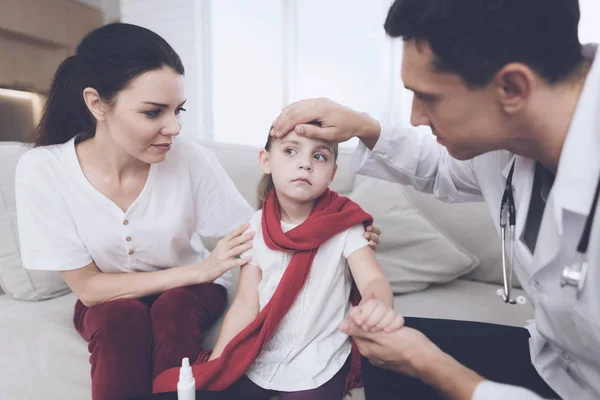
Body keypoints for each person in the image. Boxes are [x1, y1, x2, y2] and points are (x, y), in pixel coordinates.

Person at [14, 23, 382, 400]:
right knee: (118, 317)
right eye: (154, 112)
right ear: (96, 103)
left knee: (173, 310)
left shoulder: (188, 158)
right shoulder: (42, 170)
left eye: (178, 110)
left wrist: (337, 227)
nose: (173, 128)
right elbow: (90, 289)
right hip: (122, 294)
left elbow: (258, 233)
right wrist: (200, 269)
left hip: (194, 292)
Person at [269, 1, 600, 399]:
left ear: (512, 88)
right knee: (384, 351)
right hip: (558, 360)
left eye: (428, 97)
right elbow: (443, 169)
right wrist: (364, 127)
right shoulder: (513, 135)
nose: (415, 117)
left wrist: (436, 368)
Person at [152, 129, 398, 399]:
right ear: (265, 161)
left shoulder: (345, 225)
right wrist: (219, 360)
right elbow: (246, 302)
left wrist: (378, 304)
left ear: (332, 173)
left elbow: (372, 279)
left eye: (319, 156)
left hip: (318, 359)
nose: (305, 163)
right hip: (262, 354)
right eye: (291, 151)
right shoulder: (255, 226)